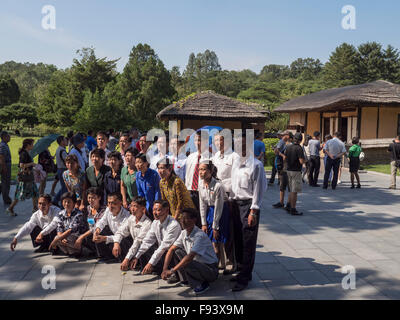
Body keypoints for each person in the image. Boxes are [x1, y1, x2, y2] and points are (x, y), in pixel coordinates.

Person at [230, 133, 267, 291]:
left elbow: (260, 189)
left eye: (243, 145)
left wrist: (253, 210)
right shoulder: (236, 163)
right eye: (238, 145)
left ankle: (244, 278)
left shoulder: (256, 165)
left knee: (248, 243)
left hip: (248, 206)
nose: (240, 148)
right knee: (237, 240)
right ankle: (242, 271)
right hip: (235, 204)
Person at [161, 208, 219, 295]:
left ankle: (203, 284)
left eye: (186, 218)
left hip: (210, 270)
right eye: (181, 218)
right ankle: (185, 279)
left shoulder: (199, 235)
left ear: (194, 220)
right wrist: (164, 269)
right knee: (177, 251)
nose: (182, 221)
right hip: (198, 264)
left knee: (187, 261)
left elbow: (190, 257)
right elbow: (171, 249)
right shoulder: (183, 233)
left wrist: (172, 270)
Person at [198, 160, 233, 274]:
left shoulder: (218, 186)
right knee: (212, 240)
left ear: (211, 171)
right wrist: (203, 223)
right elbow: (202, 205)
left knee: (218, 238)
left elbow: (219, 207)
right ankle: (217, 264)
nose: (201, 172)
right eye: (199, 169)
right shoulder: (201, 184)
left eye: (204, 169)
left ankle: (226, 264)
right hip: (210, 211)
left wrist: (215, 226)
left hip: (221, 212)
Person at [131, 200, 181, 275]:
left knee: (172, 251)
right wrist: (136, 256)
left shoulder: (173, 225)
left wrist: (150, 263)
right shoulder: (155, 222)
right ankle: (157, 269)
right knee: (144, 244)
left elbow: (164, 247)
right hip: (162, 252)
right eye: (154, 210)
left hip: (172, 254)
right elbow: (147, 241)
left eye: (158, 210)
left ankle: (173, 273)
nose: (155, 213)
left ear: (167, 211)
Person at [116, 196, 152, 271]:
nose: (132, 209)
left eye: (135, 206)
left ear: (143, 209)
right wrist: (116, 243)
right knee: (122, 239)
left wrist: (127, 259)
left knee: (140, 245)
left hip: (144, 249)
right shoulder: (131, 218)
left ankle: (143, 265)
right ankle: (129, 263)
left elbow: (138, 241)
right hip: (135, 248)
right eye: (131, 206)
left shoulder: (147, 223)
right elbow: (121, 231)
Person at [93, 192, 131, 261]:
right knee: (99, 232)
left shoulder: (126, 216)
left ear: (120, 203)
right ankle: (106, 256)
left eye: (114, 203)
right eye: (109, 203)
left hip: (124, 240)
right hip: (114, 237)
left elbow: (121, 234)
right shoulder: (108, 210)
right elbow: (102, 221)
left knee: (122, 241)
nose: (110, 206)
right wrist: (97, 230)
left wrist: (105, 238)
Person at [6, 139, 39, 216]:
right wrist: (32, 163)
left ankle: (35, 208)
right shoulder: (24, 153)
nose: (33, 146)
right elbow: (21, 165)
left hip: (29, 177)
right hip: (25, 178)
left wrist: (34, 169)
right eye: (32, 144)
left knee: (35, 193)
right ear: (28, 145)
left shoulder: (27, 153)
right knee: (19, 195)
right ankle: (10, 208)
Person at [49, 192, 88, 256]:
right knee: (58, 237)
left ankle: (79, 250)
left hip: (76, 237)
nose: (66, 204)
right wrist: (61, 237)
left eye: (69, 202)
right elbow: (59, 228)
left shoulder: (79, 214)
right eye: (65, 202)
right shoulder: (61, 213)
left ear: (74, 203)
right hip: (66, 237)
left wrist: (57, 239)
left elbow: (71, 230)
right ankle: (72, 251)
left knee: (63, 238)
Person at [157, 157, 195, 223]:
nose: (160, 171)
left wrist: (175, 218)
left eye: (162, 168)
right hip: (173, 215)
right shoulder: (162, 182)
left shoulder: (177, 182)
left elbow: (180, 203)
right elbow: (164, 201)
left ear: (170, 169)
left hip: (186, 215)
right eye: (158, 168)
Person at [75, 187, 107, 256]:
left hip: (100, 231)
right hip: (89, 232)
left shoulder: (104, 210)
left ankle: (103, 254)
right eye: (89, 198)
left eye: (93, 198)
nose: (90, 200)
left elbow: (96, 226)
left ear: (99, 198)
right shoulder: (88, 208)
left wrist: (82, 236)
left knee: (95, 234)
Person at [185, 131, 208, 211]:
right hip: (190, 191)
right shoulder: (190, 157)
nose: (198, 143)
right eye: (196, 140)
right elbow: (187, 175)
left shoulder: (210, 158)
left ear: (206, 141)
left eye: (200, 140)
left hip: (203, 192)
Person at [284, 132, 305, 215]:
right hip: (296, 170)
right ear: (300, 140)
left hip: (288, 169)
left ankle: (288, 205)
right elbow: (301, 161)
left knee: (291, 189)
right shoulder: (299, 148)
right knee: (294, 191)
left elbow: (285, 158)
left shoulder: (288, 147)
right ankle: (293, 208)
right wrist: (305, 161)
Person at [135, 153, 161, 218]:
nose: (137, 165)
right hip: (145, 206)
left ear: (146, 163)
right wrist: (142, 206)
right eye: (136, 163)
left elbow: (157, 191)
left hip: (155, 205)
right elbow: (140, 192)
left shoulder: (154, 174)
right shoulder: (138, 175)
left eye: (140, 162)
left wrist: (155, 206)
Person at [272, 131, 290, 209]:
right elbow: (276, 151)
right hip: (280, 162)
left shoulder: (283, 142)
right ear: (285, 135)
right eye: (288, 135)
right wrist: (282, 155)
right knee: (282, 182)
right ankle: (282, 202)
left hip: (282, 163)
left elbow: (274, 148)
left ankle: (283, 201)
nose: (289, 137)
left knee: (283, 182)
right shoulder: (282, 142)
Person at [53, 136, 69, 205]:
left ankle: (55, 200)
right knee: (65, 188)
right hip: (63, 170)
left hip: (60, 169)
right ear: (62, 142)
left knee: (63, 187)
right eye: (65, 140)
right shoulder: (62, 151)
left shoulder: (59, 149)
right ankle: (62, 204)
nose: (67, 141)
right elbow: (67, 161)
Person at [0, 131, 12, 205]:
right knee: (6, 182)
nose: (9, 137)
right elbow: (1, 157)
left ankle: (6, 197)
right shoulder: (3, 146)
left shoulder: (5, 145)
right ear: (4, 137)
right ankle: (6, 199)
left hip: (7, 164)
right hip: (6, 165)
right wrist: (4, 167)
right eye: (8, 136)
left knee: (4, 182)